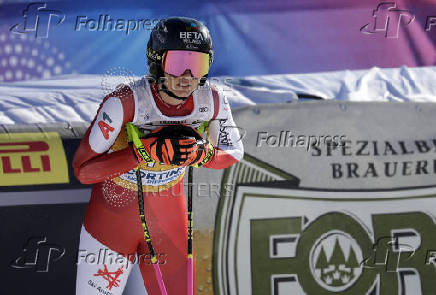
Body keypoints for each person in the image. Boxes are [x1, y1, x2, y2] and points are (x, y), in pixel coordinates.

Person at [73, 16, 244, 295]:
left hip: (168, 221)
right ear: (156, 61)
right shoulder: (125, 102)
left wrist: (204, 154)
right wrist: (141, 152)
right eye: (178, 64)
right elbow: (83, 170)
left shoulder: (212, 100)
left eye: (198, 65)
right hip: (112, 221)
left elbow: (234, 153)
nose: (187, 77)